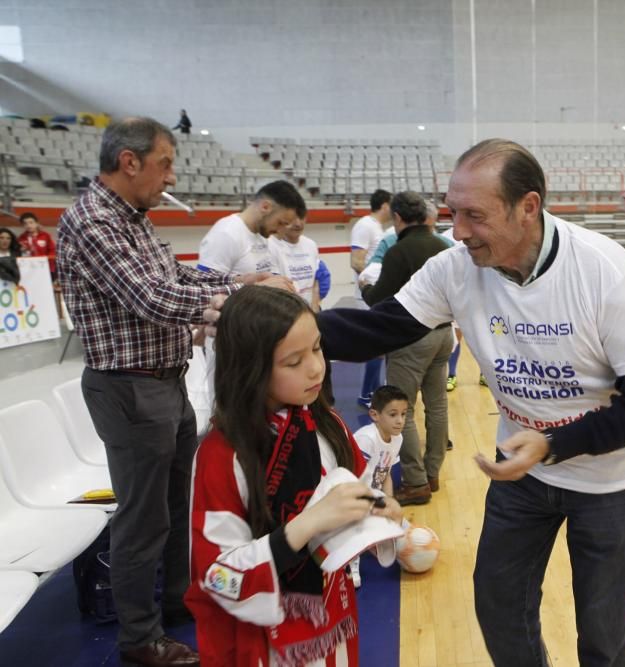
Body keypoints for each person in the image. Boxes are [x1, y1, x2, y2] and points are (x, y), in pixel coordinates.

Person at [204, 139, 625, 664]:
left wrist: (552, 442)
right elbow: (379, 328)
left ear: (528, 207)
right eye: (454, 212)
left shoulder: (601, 270)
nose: (461, 230)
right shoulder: (457, 266)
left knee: (604, 633)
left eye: (475, 215)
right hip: (522, 474)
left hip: (612, 479)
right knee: (499, 605)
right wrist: (273, 327)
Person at [56, 116, 277, 667]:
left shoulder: (132, 219)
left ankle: (178, 601)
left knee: (178, 505)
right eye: (165, 163)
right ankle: (139, 639)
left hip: (164, 382)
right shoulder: (92, 222)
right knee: (142, 517)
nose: (171, 176)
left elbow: (176, 278)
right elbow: (153, 298)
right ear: (129, 162)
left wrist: (238, 285)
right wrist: (240, 298)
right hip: (129, 390)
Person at [187, 285, 402, 667]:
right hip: (264, 641)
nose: (317, 367)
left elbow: (357, 489)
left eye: (318, 348)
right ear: (250, 368)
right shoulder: (221, 456)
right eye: (293, 361)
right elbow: (217, 575)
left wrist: (378, 510)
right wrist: (304, 528)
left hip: (331, 612)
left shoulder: (325, 421)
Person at [360, 190, 452, 506]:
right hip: (444, 335)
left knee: (404, 409)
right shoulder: (443, 246)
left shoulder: (400, 252)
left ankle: (415, 483)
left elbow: (379, 299)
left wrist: (365, 286)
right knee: (437, 405)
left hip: (413, 338)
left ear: (398, 218)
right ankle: (432, 474)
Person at [350, 383, 409, 587]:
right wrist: (376, 504)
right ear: (375, 415)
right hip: (352, 493)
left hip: (373, 494)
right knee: (354, 520)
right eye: (393, 414)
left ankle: (374, 539)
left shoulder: (397, 438)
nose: (400, 420)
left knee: (404, 527)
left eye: (403, 414)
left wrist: (390, 502)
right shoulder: (367, 439)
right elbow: (353, 479)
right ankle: (351, 560)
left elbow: (386, 475)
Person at [198, 180, 306, 276]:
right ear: (265, 207)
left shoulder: (263, 233)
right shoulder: (225, 235)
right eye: (280, 223)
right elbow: (205, 288)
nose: (279, 230)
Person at [352, 189, 391, 407]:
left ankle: (373, 391)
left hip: (376, 295)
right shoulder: (365, 225)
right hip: (367, 295)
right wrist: (371, 282)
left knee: (381, 348)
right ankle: (367, 394)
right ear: (385, 205)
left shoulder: (377, 228)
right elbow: (356, 261)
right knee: (376, 347)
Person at [268, 211, 321, 311]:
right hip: (284, 312)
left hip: (308, 312)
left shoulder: (311, 244)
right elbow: (274, 289)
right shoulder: (270, 245)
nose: (298, 224)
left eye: (301, 218)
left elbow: (315, 283)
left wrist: (315, 311)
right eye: (292, 219)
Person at [17, 211, 56, 280]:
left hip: (45, 268)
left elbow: (52, 251)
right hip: (29, 270)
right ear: (22, 225)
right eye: (25, 223)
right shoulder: (21, 238)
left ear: (36, 223)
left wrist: (49, 266)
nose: (28, 225)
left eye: (31, 222)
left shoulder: (45, 236)